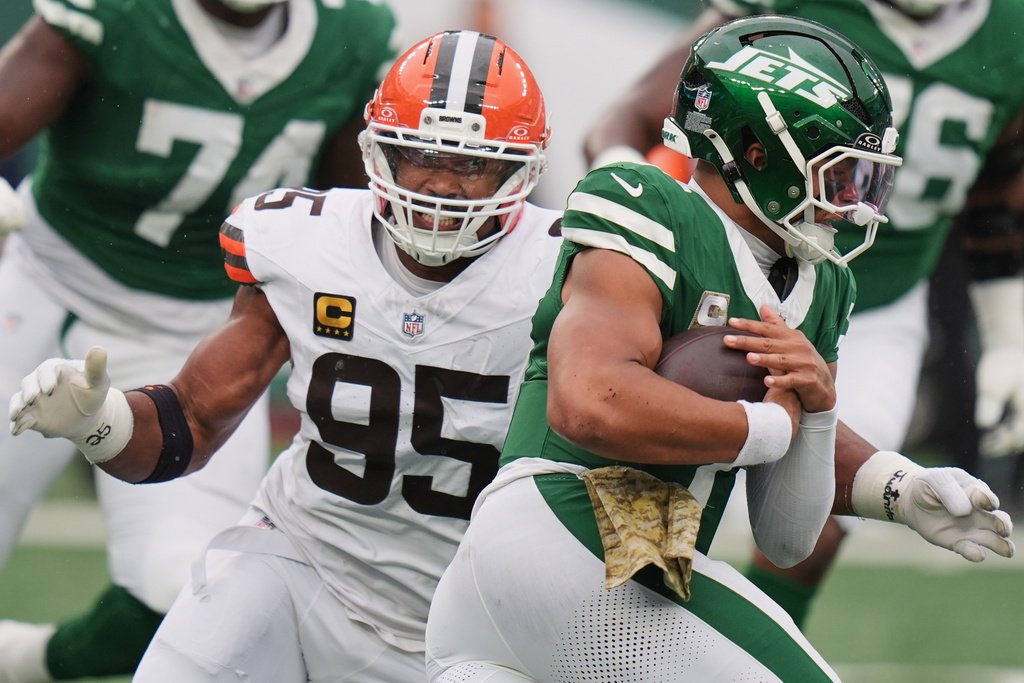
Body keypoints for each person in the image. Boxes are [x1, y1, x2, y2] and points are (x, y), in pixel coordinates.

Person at [424, 15, 1014, 682]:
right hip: (559, 535)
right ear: (758, 155)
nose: (853, 204)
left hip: (645, 560)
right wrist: (772, 425)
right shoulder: (650, 208)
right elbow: (590, 402)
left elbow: (786, 540)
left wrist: (894, 484)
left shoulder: (823, 283)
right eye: (840, 174)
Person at [10, 29, 562, 681]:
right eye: (419, 153)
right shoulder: (308, 244)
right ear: (378, 151)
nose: (441, 182)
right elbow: (191, 422)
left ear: (521, 170)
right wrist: (98, 421)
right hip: (302, 564)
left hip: (473, 612)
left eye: (472, 163)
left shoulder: (565, 273)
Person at [583, 0, 1024, 628]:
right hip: (731, 267)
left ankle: (730, 642)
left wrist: (1008, 340)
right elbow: (639, 115)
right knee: (650, 478)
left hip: (875, 303)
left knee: (814, 523)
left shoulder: (1010, 34)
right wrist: (634, 221)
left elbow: (1000, 191)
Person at [0, 0, 395, 679]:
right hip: (44, 290)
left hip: (201, 337)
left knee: (190, 597)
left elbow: (354, 217)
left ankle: (24, 659)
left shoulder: (350, 33)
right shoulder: (123, 12)